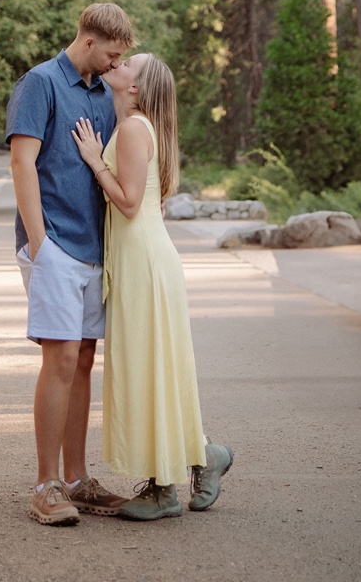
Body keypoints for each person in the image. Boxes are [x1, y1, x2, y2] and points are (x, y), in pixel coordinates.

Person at [72, 51, 233, 521]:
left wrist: (91, 160)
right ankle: (198, 461)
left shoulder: (135, 128)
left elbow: (125, 204)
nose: (117, 65)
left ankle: (166, 487)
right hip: (142, 259)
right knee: (155, 369)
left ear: (136, 87)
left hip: (144, 263)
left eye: (127, 65)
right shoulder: (139, 125)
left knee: (149, 369)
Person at [6, 2, 138, 526]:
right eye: (112, 52)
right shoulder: (39, 83)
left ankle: (79, 480)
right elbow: (21, 161)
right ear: (88, 42)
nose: (115, 62)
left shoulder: (104, 93)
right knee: (59, 360)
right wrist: (39, 243)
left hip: (94, 246)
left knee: (84, 359)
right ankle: (46, 485)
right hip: (54, 243)